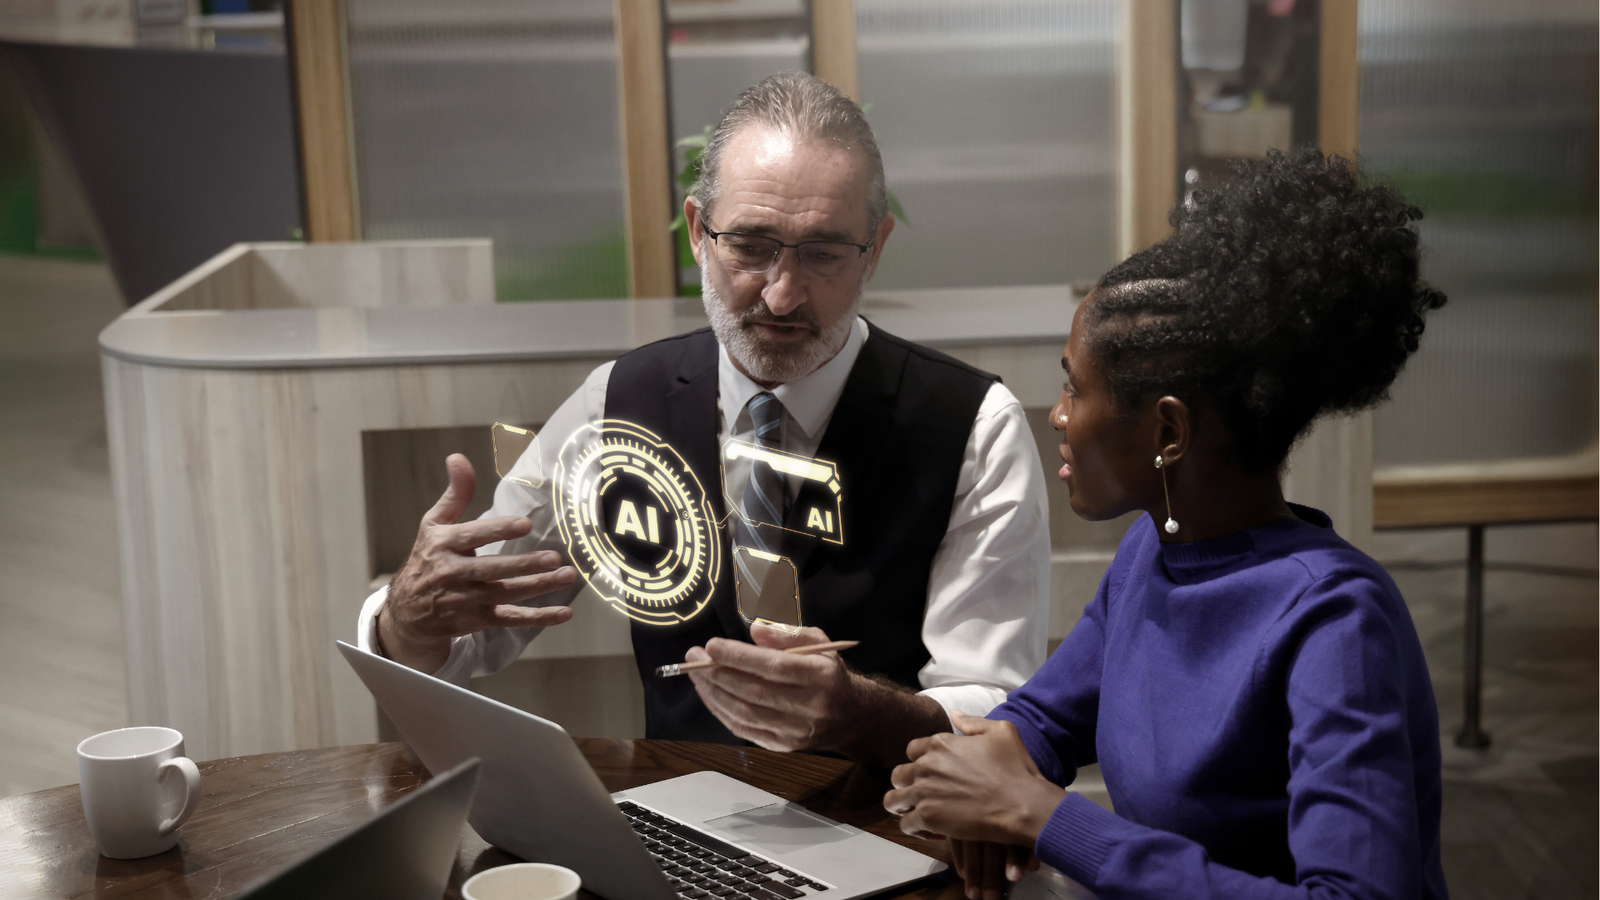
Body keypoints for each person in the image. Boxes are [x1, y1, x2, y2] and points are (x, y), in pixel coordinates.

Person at [356, 71, 1050, 766]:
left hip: (889, 813)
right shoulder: (617, 405)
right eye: (750, 245)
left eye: (824, 254)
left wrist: (863, 715)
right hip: (675, 814)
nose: (781, 295)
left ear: (876, 248)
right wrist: (406, 621)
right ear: (697, 232)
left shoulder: (973, 429)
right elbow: (465, 636)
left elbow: (992, 703)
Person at [883, 148, 1451, 899]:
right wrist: (988, 780)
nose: (1058, 416)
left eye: (1073, 388)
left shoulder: (1336, 621)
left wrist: (1043, 817)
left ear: (1168, 432)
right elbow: (1044, 721)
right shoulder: (1151, 552)